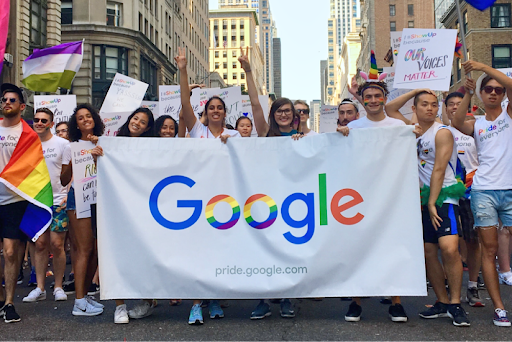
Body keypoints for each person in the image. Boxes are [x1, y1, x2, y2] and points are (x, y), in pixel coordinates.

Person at [386, 88, 470, 327]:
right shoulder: (414, 130)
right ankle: (442, 302)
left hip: (443, 197)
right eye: (424, 104)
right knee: (428, 252)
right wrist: (415, 90)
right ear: (414, 108)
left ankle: (455, 304)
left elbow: (439, 170)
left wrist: (433, 202)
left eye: (434, 104)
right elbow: (390, 109)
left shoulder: (442, 132)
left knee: (450, 249)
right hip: (421, 198)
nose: (430, 108)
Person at [337, 57, 412, 323]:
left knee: (392, 246)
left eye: (376, 96)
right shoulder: (354, 127)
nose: (372, 100)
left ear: (383, 98)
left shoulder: (398, 127)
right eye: (367, 96)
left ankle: (396, 302)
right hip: (361, 198)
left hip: (392, 197)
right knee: (359, 247)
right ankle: (356, 302)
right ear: (362, 101)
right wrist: (341, 136)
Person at [176, 46, 240, 325]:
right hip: (198, 199)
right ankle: (195, 303)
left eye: (219, 108)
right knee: (197, 250)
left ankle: (213, 298)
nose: (215, 111)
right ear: (206, 112)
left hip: (225, 200)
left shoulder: (235, 134)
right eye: (211, 108)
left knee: (219, 249)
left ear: (225, 113)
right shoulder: (197, 130)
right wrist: (182, 70)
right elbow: (185, 105)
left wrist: (233, 145)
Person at [238, 46, 298, 320]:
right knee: (263, 247)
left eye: (287, 111)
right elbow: (253, 103)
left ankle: (286, 298)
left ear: (293, 115)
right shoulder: (264, 131)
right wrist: (249, 71)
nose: (283, 114)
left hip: (292, 200)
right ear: (273, 114)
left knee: (286, 248)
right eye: (279, 111)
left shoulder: (305, 136)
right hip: (264, 199)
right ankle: (263, 299)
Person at [451, 60, 512, 327]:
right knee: (489, 250)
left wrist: (483, 68)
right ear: (481, 93)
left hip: (510, 190)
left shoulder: (508, 114)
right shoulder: (475, 124)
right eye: (488, 89)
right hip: (484, 191)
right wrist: (466, 91)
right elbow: (455, 121)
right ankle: (499, 308)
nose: (494, 92)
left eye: (498, 90)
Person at [109, 108, 156, 324]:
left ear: (147, 128)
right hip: (118, 207)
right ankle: (119, 306)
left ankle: (147, 300)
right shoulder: (113, 144)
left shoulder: (152, 147)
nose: (137, 123)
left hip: (144, 208)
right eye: (135, 118)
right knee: (115, 253)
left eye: (143, 122)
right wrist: (99, 153)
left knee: (144, 253)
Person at [0, 83, 40, 323]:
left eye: (12, 100)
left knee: (11, 251)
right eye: (4, 99)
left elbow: (36, 170)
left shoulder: (29, 135)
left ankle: (10, 302)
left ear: (22, 107)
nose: (6, 103)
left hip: (15, 200)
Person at [22, 108, 70, 303]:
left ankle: (58, 286)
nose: (39, 123)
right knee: (39, 244)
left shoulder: (63, 144)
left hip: (58, 200)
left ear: (51, 123)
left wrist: (68, 194)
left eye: (44, 120)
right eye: (36, 120)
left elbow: (69, 172)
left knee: (57, 245)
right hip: (35, 201)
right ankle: (40, 287)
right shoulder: (26, 144)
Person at [61, 104, 104, 317]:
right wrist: (71, 161)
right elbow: (63, 180)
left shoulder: (104, 143)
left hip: (101, 200)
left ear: (95, 119)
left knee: (96, 251)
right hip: (79, 198)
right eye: (80, 118)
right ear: (75, 124)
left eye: (88, 116)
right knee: (83, 249)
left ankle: (84, 295)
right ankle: (78, 302)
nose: (85, 119)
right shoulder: (71, 147)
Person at [441, 91, 485, 307]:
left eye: (460, 103)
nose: (455, 107)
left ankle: (473, 286)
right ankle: (451, 285)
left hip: (472, 190)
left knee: (472, 240)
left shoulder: (475, 129)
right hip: (448, 192)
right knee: (449, 243)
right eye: (451, 104)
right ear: (446, 108)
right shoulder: (440, 131)